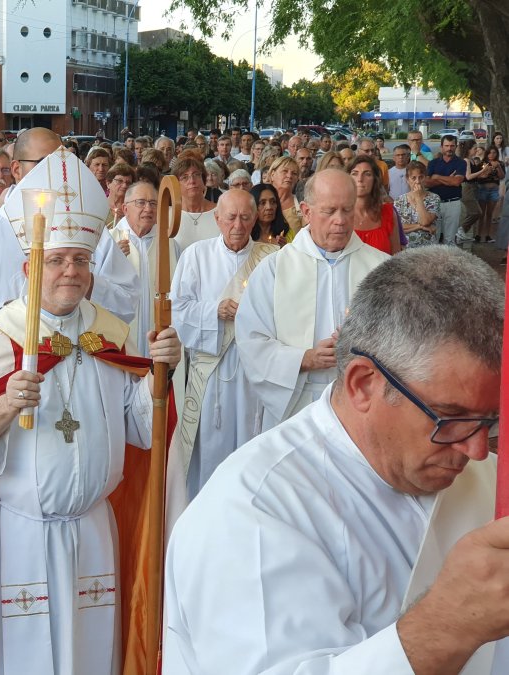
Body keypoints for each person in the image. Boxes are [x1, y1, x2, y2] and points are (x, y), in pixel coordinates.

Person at [165, 245, 506, 675]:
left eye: (490, 422)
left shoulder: (480, 472)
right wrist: (446, 627)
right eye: (451, 420)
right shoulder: (252, 512)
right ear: (363, 384)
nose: (477, 451)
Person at [0, 150, 182, 672]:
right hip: (21, 534)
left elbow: (143, 434)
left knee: (91, 654)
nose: (70, 272)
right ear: (30, 266)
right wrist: (5, 406)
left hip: (95, 532)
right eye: (57, 260)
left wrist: (161, 378)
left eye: (80, 260)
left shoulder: (113, 334)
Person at [0, 130, 139, 351]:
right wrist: (13, 313)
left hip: (77, 362)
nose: (57, 174)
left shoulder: (87, 229)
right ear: (16, 169)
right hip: (10, 364)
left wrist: (86, 283)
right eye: (43, 164)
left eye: (63, 163)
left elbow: (127, 302)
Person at [235, 169, 389, 432]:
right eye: (330, 211)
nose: (340, 221)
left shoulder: (380, 268)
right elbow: (251, 340)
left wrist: (365, 349)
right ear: (306, 211)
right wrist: (304, 358)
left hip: (361, 403)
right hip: (297, 402)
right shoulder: (275, 268)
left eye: (347, 210)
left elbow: (402, 341)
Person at [171, 189, 277, 499]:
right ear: (217, 219)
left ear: (255, 219)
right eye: (230, 217)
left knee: (250, 443)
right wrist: (214, 311)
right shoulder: (196, 255)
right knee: (212, 449)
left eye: (245, 217)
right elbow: (178, 310)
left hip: (253, 372)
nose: (238, 225)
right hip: (212, 374)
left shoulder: (271, 259)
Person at [111, 180, 180, 356]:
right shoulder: (109, 241)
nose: (148, 209)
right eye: (141, 202)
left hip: (160, 333)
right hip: (122, 334)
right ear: (125, 209)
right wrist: (112, 260)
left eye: (153, 203)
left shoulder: (170, 243)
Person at [349, 155, 401, 255]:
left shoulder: (388, 213)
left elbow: (396, 259)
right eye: (354, 174)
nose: (360, 179)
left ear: (375, 180)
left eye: (367, 174)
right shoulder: (338, 215)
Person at [173, 153, 219, 250]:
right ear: (176, 184)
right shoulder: (169, 214)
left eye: (196, 175)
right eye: (185, 177)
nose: (192, 181)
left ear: (204, 180)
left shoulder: (220, 211)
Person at [425, 135, 466, 245]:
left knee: (450, 239)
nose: (449, 148)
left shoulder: (461, 163)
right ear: (441, 147)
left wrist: (436, 177)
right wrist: (449, 178)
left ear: (456, 146)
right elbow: (427, 182)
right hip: (434, 203)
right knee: (434, 237)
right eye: (446, 146)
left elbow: (456, 182)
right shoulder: (433, 163)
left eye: (452, 146)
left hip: (453, 202)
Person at [394, 160, 441, 248]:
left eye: (421, 177)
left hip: (428, 248)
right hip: (405, 249)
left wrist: (418, 197)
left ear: (425, 178)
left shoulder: (434, 198)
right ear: (407, 179)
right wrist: (420, 227)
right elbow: (397, 228)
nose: (418, 181)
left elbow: (425, 221)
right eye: (413, 178)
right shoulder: (399, 200)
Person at [268, 155, 304, 237]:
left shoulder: (300, 204)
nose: (289, 176)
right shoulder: (259, 199)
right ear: (272, 174)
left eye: (294, 173)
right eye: (285, 171)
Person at [476, 145, 504, 242]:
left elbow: (502, 176)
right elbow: (478, 177)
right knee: (481, 214)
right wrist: (486, 172)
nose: (492, 155)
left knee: (489, 214)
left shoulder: (500, 163)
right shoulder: (482, 163)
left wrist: (498, 167)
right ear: (487, 153)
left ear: (497, 154)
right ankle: (478, 235)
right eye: (490, 152)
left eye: (494, 153)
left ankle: (487, 235)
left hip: (494, 191)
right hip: (483, 189)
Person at [105, 162, 135, 228]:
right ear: (108, 183)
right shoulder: (100, 207)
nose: (124, 186)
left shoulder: (134, 209)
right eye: (119, 181)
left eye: (128, 183)